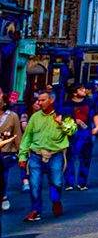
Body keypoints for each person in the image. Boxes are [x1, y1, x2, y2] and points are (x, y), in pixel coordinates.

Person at [22, 92, 75, 222]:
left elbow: (73, 130)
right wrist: (22, 156)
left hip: (55, 153)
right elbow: (27, 136)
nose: (40, 103)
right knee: (34, 184)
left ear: (51, 100)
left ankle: (56, 200)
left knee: (56, 182)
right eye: (38, 100)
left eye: (43, 100)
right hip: (36, 153)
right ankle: (36, 210)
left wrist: (61, 123)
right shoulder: (35, 117)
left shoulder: (63, 114)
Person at [0, 97, 20, 212]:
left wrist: (22, 153)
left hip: (6, 151)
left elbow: (17, 134)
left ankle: (3, 195)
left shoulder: (12, 116)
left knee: (3, 175)